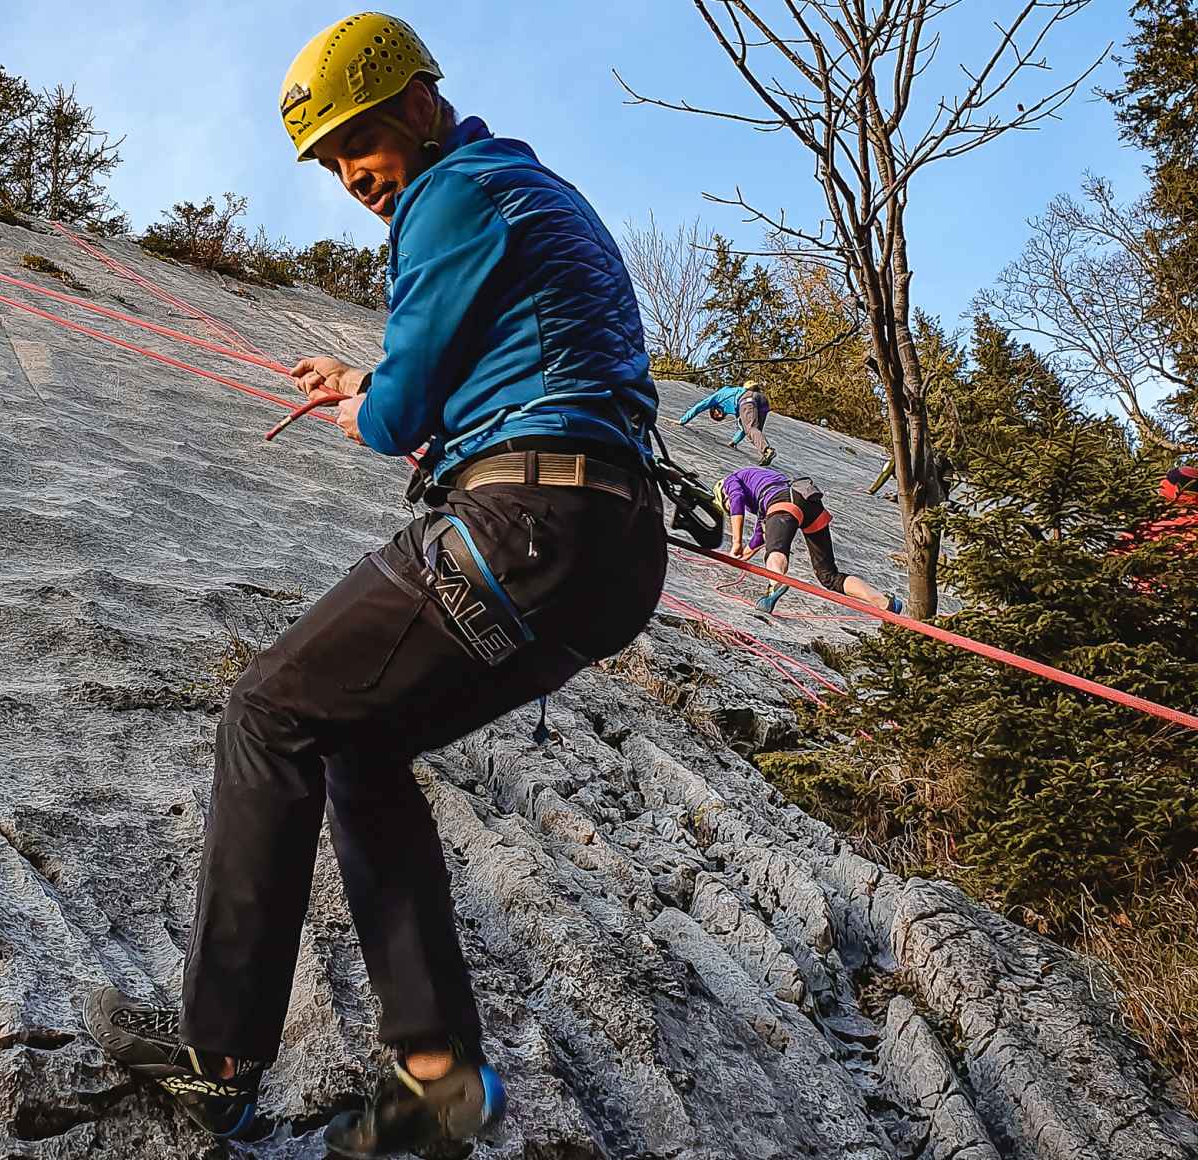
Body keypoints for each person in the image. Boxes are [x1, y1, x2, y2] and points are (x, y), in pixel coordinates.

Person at [80, 12, 666, 1156]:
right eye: (329, 161)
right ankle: (439, 1077)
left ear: (416, 101)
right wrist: (370, 378)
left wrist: (368, 399)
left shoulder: (449, 193)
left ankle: (218, 1061)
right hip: (607, 552)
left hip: (525, 519)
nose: (351, 175)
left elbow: (399, 414)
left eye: (358, 140)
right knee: (361, 744)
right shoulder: (520, 189)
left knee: (268, 708)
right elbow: (502, 359)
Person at [719, 465, 902, 614]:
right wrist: (742, 555)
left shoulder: (731, 480)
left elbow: (736, 500)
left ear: (722, 493)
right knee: (828, 576)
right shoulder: (762, 496)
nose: (730, 510)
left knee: (775, 551)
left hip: (784, 499)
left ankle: (776, 583)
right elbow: (761, 536)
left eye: (725, 507)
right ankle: (884, 602)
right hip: (809, 502)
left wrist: (736, 542)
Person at [678, 379, 775, 464]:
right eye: (719, 418)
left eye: (716, 414)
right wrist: (734, 442)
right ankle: (766, 453)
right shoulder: (737, 409)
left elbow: (700, 406)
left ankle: (767, 450)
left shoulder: (718, 397)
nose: (719, 415)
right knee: (755, 432)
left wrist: (682, 421)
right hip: (762, 400)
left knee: (751, 429)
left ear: (714, 408)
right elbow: (743, 428)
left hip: (747, 398)